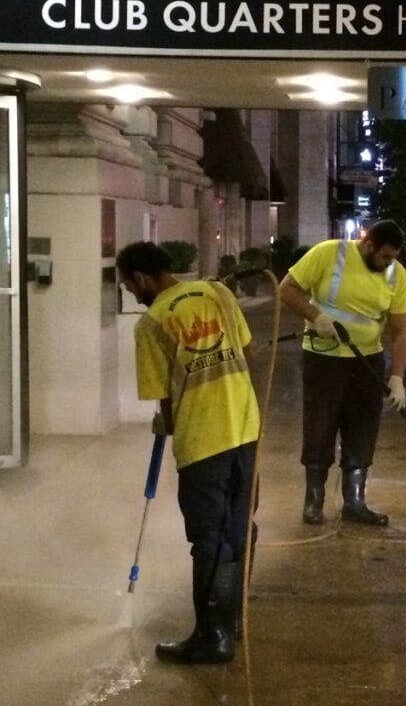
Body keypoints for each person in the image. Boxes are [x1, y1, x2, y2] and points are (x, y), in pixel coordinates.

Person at [116, 241, 260, 665]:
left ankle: (212, 636)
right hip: (246, 428)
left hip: (203, 443)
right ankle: (232, 620)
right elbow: (248, 354)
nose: (131, 292)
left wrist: (166, 420)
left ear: (141, 278)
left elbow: (165, 403)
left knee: (209, 537)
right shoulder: (218, 292)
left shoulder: (152, 323)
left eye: (129, 285)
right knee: (238, 527)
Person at [279, 219, 406, 527]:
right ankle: (314, 501)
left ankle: (354, 502)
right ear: (368, 244)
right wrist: (317, 317)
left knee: (362, 428)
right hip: (323, 358)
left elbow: (401, 329)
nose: (388, 263)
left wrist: (396, 378)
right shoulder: (329, 253)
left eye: (392, 258)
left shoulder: (396, 275)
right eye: (384, 257)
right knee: (319, 426)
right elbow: (287, 289)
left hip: (367, 361)